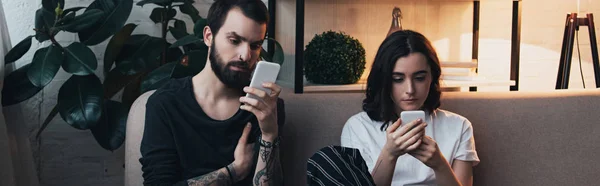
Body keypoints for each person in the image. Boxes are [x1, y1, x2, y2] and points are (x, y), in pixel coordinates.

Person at [139, 0, 285, 185]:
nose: (245, 55)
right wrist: (234, 171)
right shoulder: (165, 103)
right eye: (234, 41)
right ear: (208, 36)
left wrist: (270, 134)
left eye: (255, 45)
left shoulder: (265, 107)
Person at [307, 30, 479, 186]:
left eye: (419, 78)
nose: (410, 90)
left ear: (432, 78)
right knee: (325, 159)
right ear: (384, 81)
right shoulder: (358, 127)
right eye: (398, 79)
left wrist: (439, 164)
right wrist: (390, 153)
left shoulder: (459, 126)